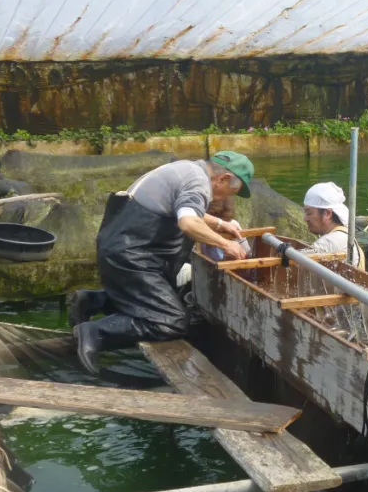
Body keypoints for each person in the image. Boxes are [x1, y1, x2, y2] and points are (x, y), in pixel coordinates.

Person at [68, 151, 255, 374]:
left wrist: (219, 224)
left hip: (121, 245)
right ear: (222, 178)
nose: (224, 198)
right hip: (134, 255)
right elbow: (188, 222)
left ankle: (94, 300)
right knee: (171, 321)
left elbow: (183, 210)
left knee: (151, 303)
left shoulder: (187, 169)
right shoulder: (198, 184)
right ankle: (95, 333)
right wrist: (226, 245)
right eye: (230, 192)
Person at [301, 182, 365, 269]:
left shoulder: (330, 241)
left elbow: (295, 258)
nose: (305, 219)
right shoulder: (342, 233)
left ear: (327, 213)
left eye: (309, 213)